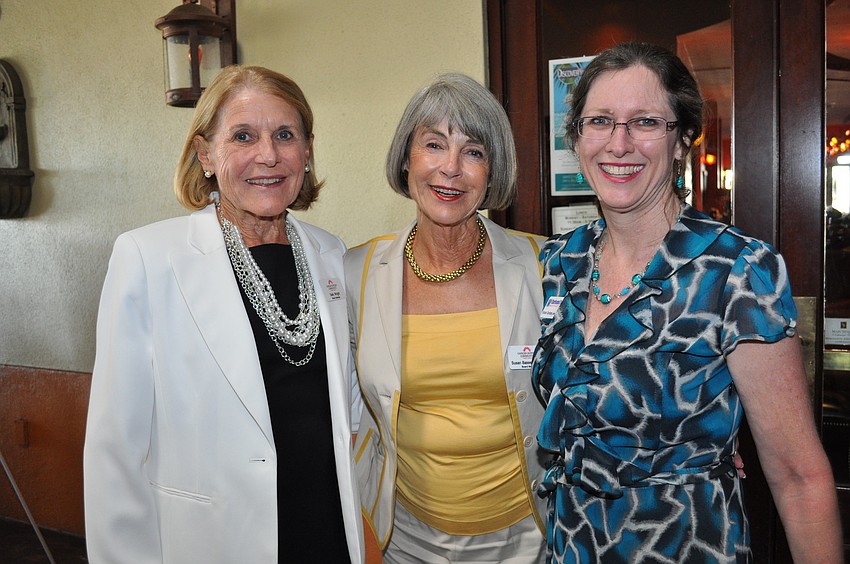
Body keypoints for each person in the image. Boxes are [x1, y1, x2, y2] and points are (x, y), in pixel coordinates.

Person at [532, 42, 842, 563]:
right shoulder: (561, 260)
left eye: (646, 122)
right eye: (600, 121)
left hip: (686, 547)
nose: (619, 143)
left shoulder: (736, 270)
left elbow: (799, 476)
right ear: (577, 138)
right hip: (573, 547)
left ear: (682, 141)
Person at [83, 65, 364, 563]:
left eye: (285, 135)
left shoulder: (332, 254)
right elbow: (115, 450)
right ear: (206, 154)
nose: (268, 155)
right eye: (243, 136)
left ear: (307, 151)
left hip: (327, 533)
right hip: (213, 542)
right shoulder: (149, 258)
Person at [346, 73, 548, 562]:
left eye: (473, 152)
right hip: (406, 540)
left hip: (529, 537)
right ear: (406, 159)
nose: (451, 168)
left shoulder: (545, 266)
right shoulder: (356, 273)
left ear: (492, 172)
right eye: (434, 144)